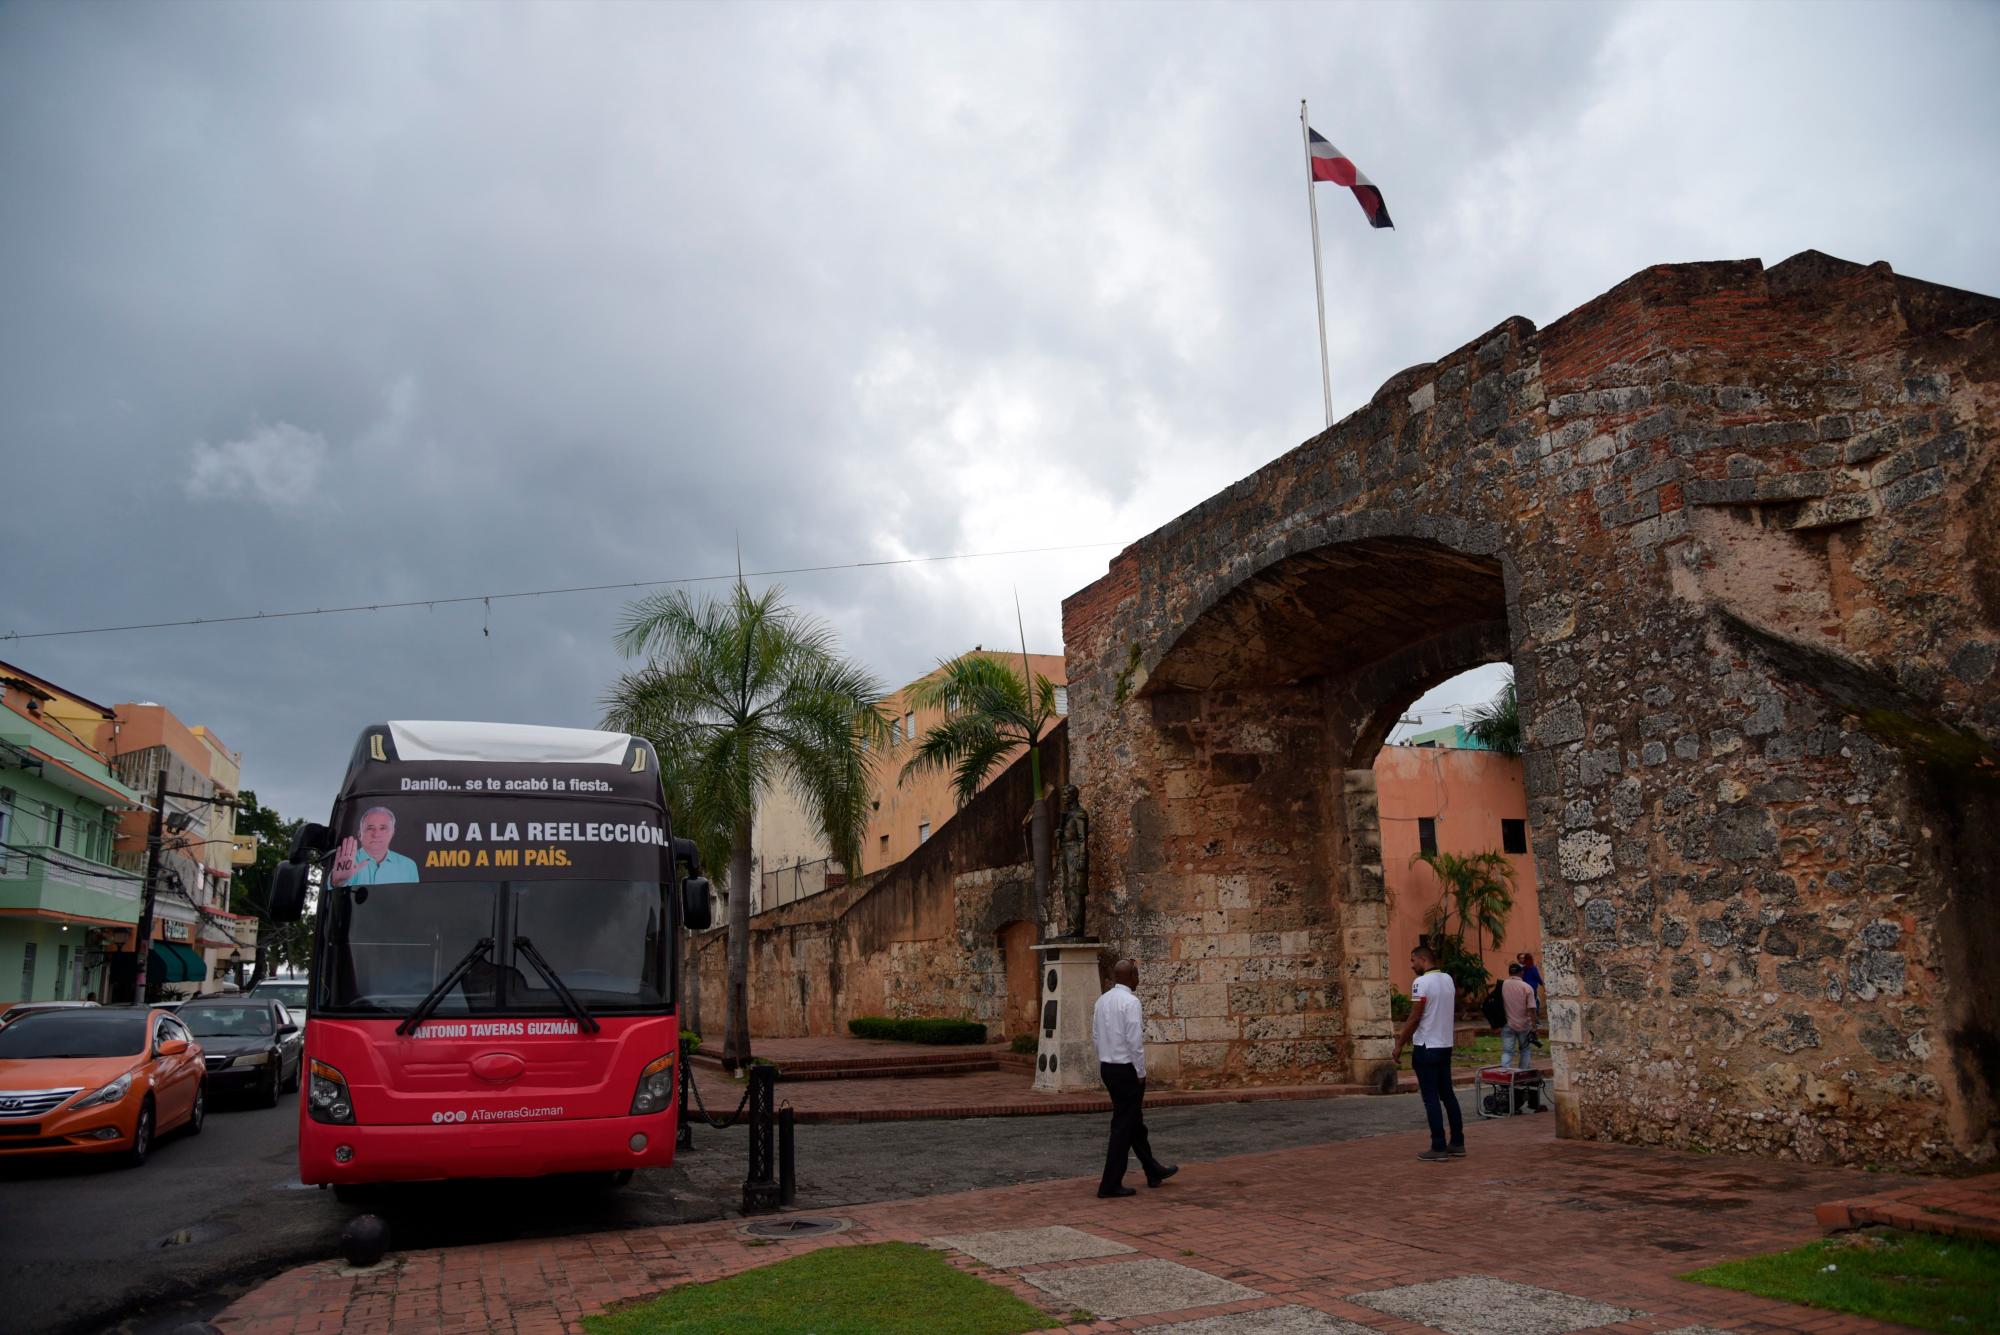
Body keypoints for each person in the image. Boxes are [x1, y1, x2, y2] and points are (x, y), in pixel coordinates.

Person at [1091, 958, 1177, 1198]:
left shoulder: (1102, 1000)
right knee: (1123, 1125)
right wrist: (1140, 1072)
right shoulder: (1131, 1002)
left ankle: (1153, 1170)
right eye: (1136, 975)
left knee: (1133, 1121)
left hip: (1108, 1067)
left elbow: (1095, 1036)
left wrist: (1104, 1057)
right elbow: (1134, 1041)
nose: (1138, 979)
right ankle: (1110, 1184)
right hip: (1126, 1069)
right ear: (1129, 977)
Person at [1392, 941, 1464, 1162]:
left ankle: (1438, 1145)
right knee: (1448, 1095)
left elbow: (1415, 1016)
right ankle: (1457, 1142)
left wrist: (1400, 1043)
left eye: (1413, 960)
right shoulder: (1448, 979)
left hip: (1426, 1046)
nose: (1412, 965)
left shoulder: (1421, 982)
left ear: (1423, 960)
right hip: (1445, 1044)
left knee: (1430, 1098)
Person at [330, 806, 420, 887]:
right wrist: (337, 882)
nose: (376, 835)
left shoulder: (409, 866)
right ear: (360, 834)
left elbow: (413, 898)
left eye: (383, 828)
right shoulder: (341, 863)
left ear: (392, 833)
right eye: (370, 828)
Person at [1499, 962, 1537, 1071]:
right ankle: (1523, 1073)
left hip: (1507, 1023)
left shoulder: (1502, 985)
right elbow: (1532, 1009)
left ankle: (1504, 1073)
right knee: (1525, 1050)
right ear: (1521, 973)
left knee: (1507, 1051)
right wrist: (1534, 1026)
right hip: (1523, 1024)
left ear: (1509, 973)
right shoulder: (1527, 987)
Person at [1518, 951, 1546, 1048]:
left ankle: (1530, 1021)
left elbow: (1522, 979)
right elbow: (1538, 978)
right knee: (1533, 1006)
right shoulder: (1533, 968)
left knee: (1526, 1006)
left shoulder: (1523, 969)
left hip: (1524, 989)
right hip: (1532, 989)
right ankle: (1535, 1022)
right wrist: (1543, 985)